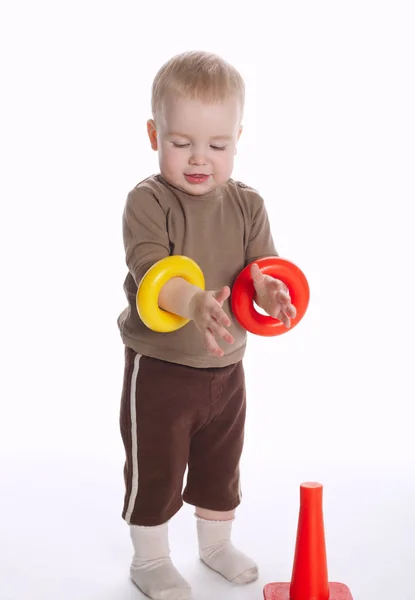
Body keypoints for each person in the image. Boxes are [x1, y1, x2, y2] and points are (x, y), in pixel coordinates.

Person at [117, 50, 296, 600]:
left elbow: (260, 270)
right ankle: (149, 559)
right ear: (154, 134)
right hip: (165, 369)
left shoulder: (248, 205)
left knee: (222, 462)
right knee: (158, 466)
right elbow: (154, 274)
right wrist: (193, 301)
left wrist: (270, 291)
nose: (199, 159)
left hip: (227, 364)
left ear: (237, 138)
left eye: (217, 146)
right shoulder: (149, 201)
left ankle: (216, 545)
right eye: (181, 143)